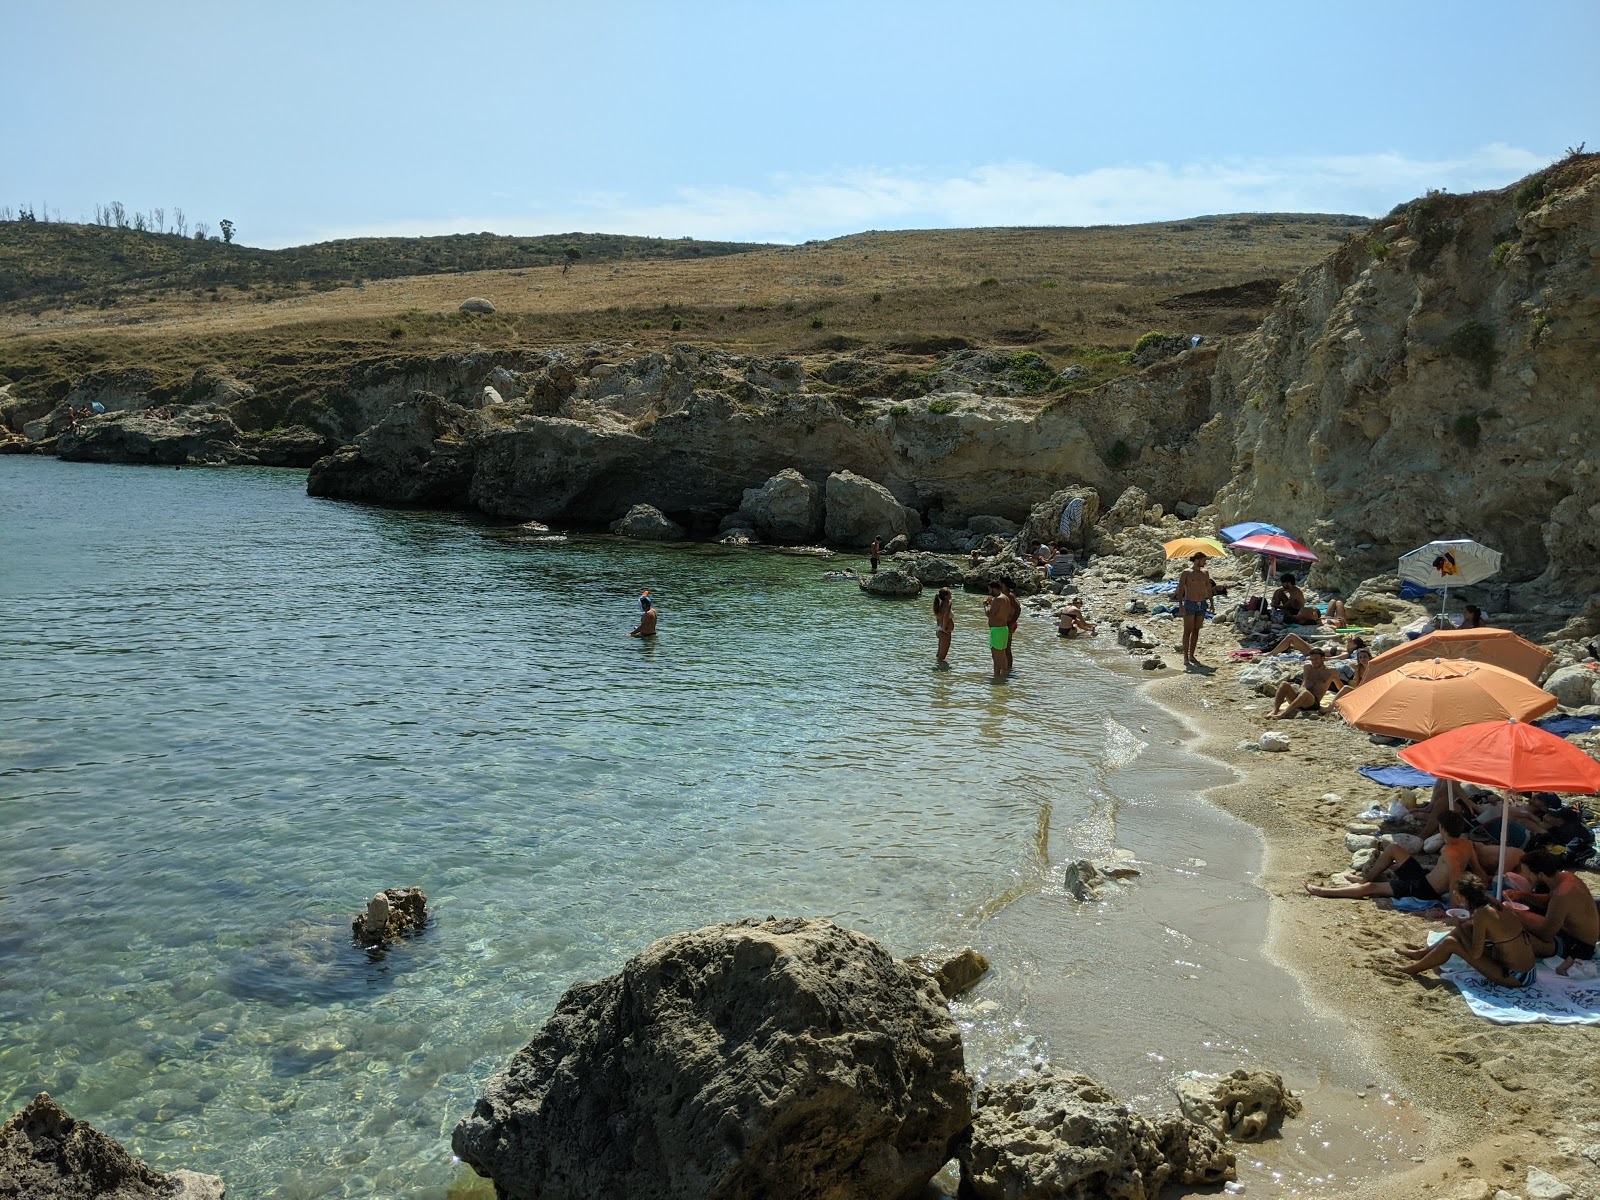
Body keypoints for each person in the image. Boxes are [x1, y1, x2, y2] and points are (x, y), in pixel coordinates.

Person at [1392, 875, 1537, 987]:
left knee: (1451, 942)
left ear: (1463, 896)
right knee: (1467, 928)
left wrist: (1458, 926)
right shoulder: (1490, 903)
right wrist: (1463, 927)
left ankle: (1412, 969)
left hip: (1517, 977)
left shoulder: (1482, 913)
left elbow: (1475, 954)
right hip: (1529, 970)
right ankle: (1422, 953)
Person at [1305, 810, 1475, 901]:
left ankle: (1324, 892)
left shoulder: (1449, 852)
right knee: (1394, 848)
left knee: (1372, 889)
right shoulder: (1466, 843)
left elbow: (1454, 883)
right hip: (1424, 877)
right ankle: (1365, 878)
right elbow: (1477, 871)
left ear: (1442, 829)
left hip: (1424, 890)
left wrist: (1452, 912)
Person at [1505, 848, 1600, 974]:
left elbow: (1545, 935)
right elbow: (1547, 901)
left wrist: (1519, 919)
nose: (1526, 877)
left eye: (1528, 874)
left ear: (1540, 875)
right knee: (1516, 916)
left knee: (1518, 940)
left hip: (1578, 947)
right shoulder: (1565, 877)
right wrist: (1522, 895)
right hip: (1567, 932)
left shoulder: (1563, 894)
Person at [1267, 648, 1339, 718]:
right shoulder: (1307, 667)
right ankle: (1275, 710)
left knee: (1305, 693)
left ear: (1323, 658)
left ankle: (1283, 714)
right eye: (1312, 659)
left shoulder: (1331, 672)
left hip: (1312, 703)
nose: (1314, 662)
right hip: (1298, 696)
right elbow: (1304, 682)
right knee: (1284, 684)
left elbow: (1340, 687)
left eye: (1316, 659)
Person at [1175, 552, 1215, 667]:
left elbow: (1208, 588)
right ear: (1197, 560)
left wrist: (1211, 603)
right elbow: (1181, 589)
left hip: (1202, 604)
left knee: (1196, 630)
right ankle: (1185, 657)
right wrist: (1181, 606)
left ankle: (1192, 655)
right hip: (1189, 603)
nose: (1205, 562)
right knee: (1188, 630)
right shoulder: (1186, 573)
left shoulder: (1205, 573)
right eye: (1204, 560)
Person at [984, 582, 1012, 678]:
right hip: (1004, 629)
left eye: (990, 590)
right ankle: (1004, 676)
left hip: (997, 631)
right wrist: (992, 604)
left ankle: (996, 677)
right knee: (1002, 655)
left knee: (996, 656)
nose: (989, 592)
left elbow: (990, 615)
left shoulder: (998, 599)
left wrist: (985, 605)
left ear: (994, 589)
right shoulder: (1005, 598)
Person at [1001, 578, 1020, 674]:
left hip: (1010, 624)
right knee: (1003, 647)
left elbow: (1018, 609)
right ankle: (1005, 666)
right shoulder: (1005, 595)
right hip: (1006, 623)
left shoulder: (1009, 595)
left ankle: (1009, 668)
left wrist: (1013, 621)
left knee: (1007, 647)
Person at [932, 587, 954, 667]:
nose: (951, 594)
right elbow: (945, 616)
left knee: (939, 654)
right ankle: (941, 672)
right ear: (946, 596)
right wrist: (944, 628)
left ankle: (937, 668)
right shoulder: (948, 603)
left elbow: (938, 617)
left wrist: (940, 627)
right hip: (944, 631)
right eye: (950, 593)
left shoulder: (940, 604)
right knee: (942, 656)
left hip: (940, 629)